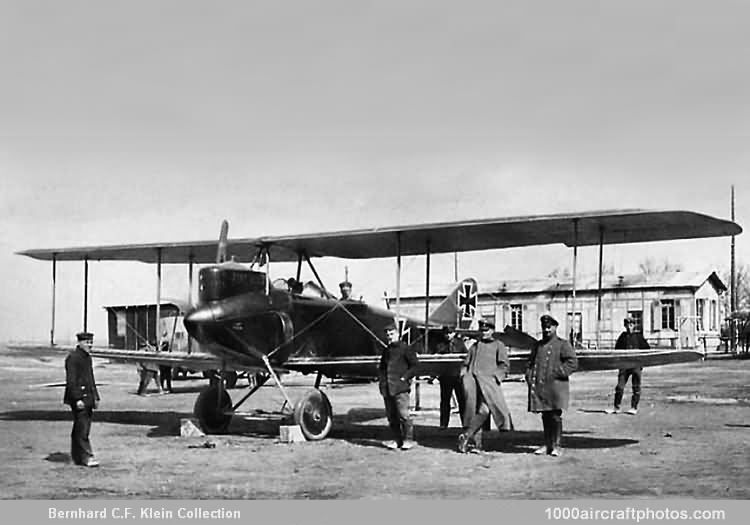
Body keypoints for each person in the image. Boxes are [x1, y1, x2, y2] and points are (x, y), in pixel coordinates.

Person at [457, 320, 513, 453]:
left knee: (485, 411)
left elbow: (504, 365)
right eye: (482, 330)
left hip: (489, 384)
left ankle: (465, 436)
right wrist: (464, 375)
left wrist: (496, 377)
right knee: (473, 412)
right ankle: (477, 445)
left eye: (487, 330)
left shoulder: (499, 345)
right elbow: (466, 363)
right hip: (473, 384)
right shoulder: (475, 346)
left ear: (492, 331)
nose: (484, 333)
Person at [526, 314, 578, 457]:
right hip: (541, 387)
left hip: (555, 387)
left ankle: (557, 445)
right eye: (544, 327)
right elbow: (530, 363)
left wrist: (558, 372)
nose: (547, 330)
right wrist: (529, 377)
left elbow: (572, 362)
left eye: (549, 327)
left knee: (555, 416)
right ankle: (547, 444)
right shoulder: (538, 346)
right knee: (545, 415)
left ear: (555, 327)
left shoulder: (563, 344)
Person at [378, 323, 420, 450]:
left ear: (398, 334)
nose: (389, 337)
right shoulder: (386, 350)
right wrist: (382, 383)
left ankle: (408, 440)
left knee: (403, 415)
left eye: (392, 334)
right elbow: (382, 368)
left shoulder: (406, 348)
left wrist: (404, 378)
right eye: (388, 335)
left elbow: (415, 366)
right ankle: (397, 440)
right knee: (392, 416)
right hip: (387, 388)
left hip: (400, 388)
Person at [64, 331, 100, 467]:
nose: (89, 345)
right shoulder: (73, 358)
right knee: (83, 429)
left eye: (91, 342)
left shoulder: (87, 357)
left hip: (88, 398)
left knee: (80, 428)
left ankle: (77, 457)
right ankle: (87, 457)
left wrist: (96, 397)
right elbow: (71, 381)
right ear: (79, 342)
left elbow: (91, 379)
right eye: (86, 342)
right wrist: (77, 398)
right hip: (80, 398)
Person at [606, 317, 650, 415]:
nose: (629, 327)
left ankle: (634, 407)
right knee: (620, 387)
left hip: (636, 365)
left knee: (636, 387)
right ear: (625, 326)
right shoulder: (622, 337)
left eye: (631, 325)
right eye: (627, 325)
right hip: (624, 366)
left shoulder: (639, 336)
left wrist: (641, 363)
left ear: (634, 325)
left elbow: (647, 350)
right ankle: (616, 407)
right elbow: (616, 350)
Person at [436, 328, 467, 429]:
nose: (448, 335)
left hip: (458, 377)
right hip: (445, 377)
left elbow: (465, 356)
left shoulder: (460, 343)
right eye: (446, 333)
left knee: (462, 401)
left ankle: (465, 423)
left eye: (450, 333)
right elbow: (436, 358)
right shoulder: (440, 345)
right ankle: (443, 424)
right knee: (445, 401)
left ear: (454, 333)